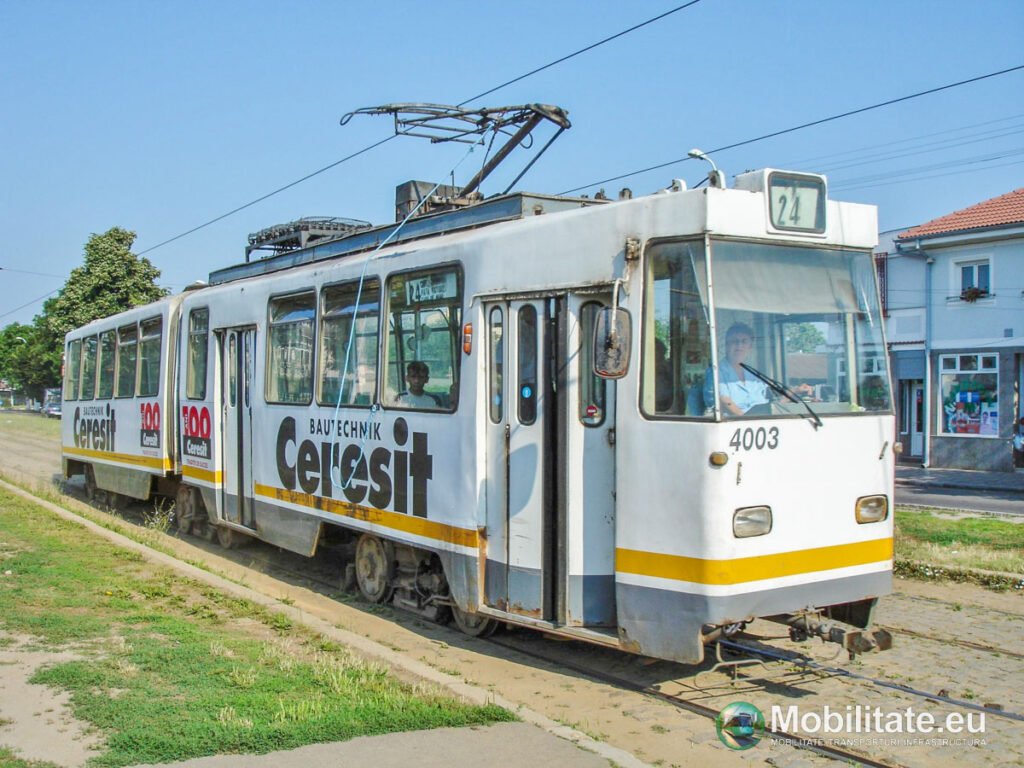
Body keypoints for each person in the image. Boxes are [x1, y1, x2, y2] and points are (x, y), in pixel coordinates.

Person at [703, 322, 768, 416]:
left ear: (750, 347)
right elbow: (725, 401)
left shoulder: (753, 373)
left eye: (744, 341)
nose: (739, 346)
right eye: (734, 341)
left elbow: (765, 399)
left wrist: (792, 393)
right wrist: (748, 421)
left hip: (762, 422)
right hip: (732, 424)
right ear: (726, 345)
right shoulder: (715, 371)